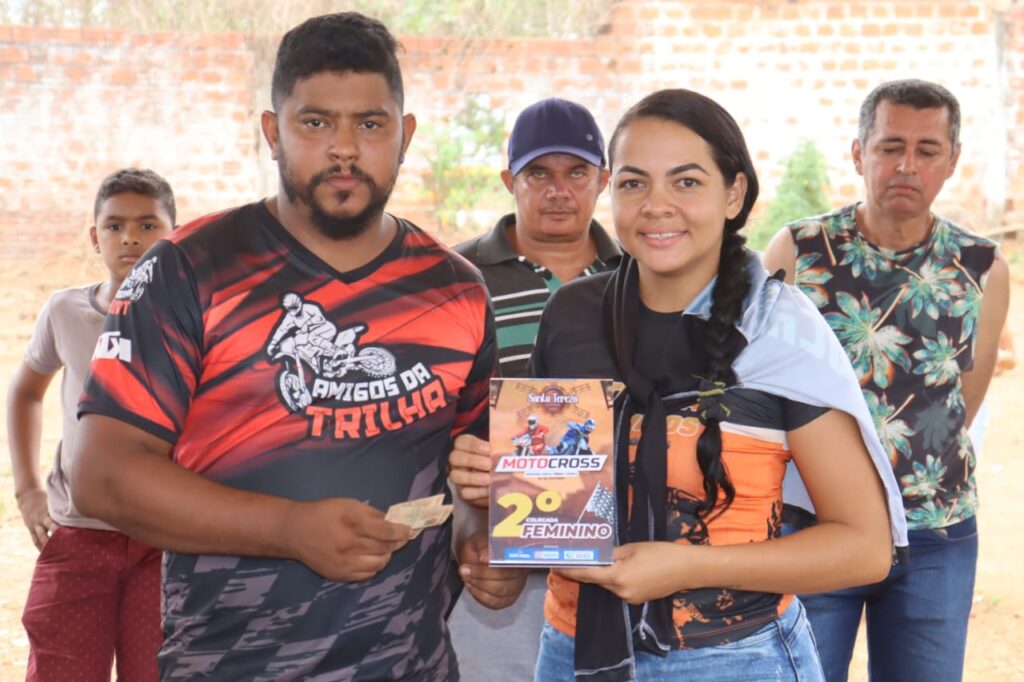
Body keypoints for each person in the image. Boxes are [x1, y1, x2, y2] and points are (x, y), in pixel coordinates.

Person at [69, 13, 524, 681]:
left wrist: (484, 547)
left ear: (405, 135)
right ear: (272, 132)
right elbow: (101, 475)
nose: (344, 149)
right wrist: (289, 529)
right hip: (227, 666)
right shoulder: (188, 270)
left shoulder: (456, 290)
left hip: (410, 666)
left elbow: (473, 475)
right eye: (315, 122)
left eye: (370, 124)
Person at [451, 88, 909, 682]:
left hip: (736, 660)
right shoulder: (572, 313)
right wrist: (498, 485)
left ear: (734, 193)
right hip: (573, 649)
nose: (656, 206)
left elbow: (865, 548)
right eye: (634, 183)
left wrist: (685, 568)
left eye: (686, 182)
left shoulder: (778, 327)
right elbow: (558, 494)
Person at [762, 79, 1010, 682]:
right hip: (815, 523)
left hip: (935, 529)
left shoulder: (981, 268)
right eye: (890, 146)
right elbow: (759, 388)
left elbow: (962, 401)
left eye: (928, 150)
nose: (906, 165)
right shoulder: (799, 252)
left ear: (952, 160)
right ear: (858, 153)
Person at [449, 97, 621, 681]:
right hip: (496, 544)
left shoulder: (641, 275)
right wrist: (471, 529)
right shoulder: (457, 276)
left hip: (616, 548)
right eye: (538, 174)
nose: (559, 191)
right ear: (509, 182)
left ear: (603, 180)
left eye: (577, 173)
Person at [7, 168, 176, 681]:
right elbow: (24, 392)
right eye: (114, 226)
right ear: (94, 236)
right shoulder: (66, 311)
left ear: (175, 235)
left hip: (165, 538)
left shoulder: (194, 319)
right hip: (78, 533)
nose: (130, 238)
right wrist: (28, 491)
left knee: (159, 671)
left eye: (148, 225)